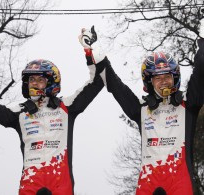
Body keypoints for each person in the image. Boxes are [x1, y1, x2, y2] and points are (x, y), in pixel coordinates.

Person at [0, 27, 108, 195]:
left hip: (61, 186)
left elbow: (98, 82)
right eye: (31, 80)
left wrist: (90, 51)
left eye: (40, 80)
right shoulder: (19, 113)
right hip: (30, 185)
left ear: (51, 82)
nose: (35, 84)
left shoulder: (67, 106)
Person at [82, 19, 204, 194]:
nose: (163, 82)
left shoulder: (188, 104)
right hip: (148, 185)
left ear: (175, 78)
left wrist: (202, 37)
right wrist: (93, 50)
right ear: (149, 81)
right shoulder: (141, 109)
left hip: (180, 184)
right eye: (157, 78)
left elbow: (201, 71)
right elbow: (115, 86)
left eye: (167, 76)